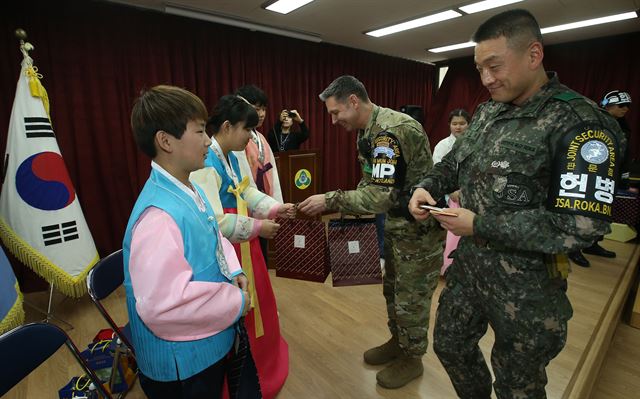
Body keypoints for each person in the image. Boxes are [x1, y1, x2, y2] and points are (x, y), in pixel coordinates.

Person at [408, 9, 625, 398]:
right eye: (479, 69)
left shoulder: (581, 125)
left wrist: (479, 225)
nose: (487, 78)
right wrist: (427, 185)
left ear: (534, 54)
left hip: (528, 286)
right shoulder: (489, 110)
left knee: (517, 385)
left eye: (495, 65)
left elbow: (581, 227)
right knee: (450, 345)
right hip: (470, 270)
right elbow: (455, 162)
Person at [298, 75, 444, 389]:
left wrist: (330, 200)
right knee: (393, 290)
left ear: (353, 101)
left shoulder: (390, 132)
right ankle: (399, 342)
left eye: (336, 113)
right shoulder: (368, 131)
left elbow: (379, 196)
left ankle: (413, 358)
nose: (334, 120)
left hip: (417, 234)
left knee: (411, 298)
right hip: (394, 226)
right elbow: (371, 183)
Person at [123, 85, 250, 399]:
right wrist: (236, 302)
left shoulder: (189, 187)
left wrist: (234, 271)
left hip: (205, 346)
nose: (208, 140)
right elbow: (164, 306)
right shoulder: (157, 218)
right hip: (185, 367)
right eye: (199, 131)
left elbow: (214, 235)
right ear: (166, 141)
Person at [190, 95, 294, 399]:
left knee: (258, 303)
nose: (251, 136)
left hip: (244, 246)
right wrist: (260, 228)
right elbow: (216, 223)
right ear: (226, 126)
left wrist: (276, 208)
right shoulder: (204, 162)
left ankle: (263, 363)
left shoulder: (234, 155)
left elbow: (247, 191)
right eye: (247, 129)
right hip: (226, 251)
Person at [568, 90, 632, 267]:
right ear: (608, 104)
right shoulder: (593, 119)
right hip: (590, 175)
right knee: (583, 213)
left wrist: (624, 176)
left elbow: (624, 154)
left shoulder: (622, 126)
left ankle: (593, 244)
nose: (625, 109)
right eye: (621, 105)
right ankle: (574, 248)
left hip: (611, 176)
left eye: (628, 106)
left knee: (602, 213)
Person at [432, 109, 471, 274]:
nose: (458, 127)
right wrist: (453, 191)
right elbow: (438, 169)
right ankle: (449, 268)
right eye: (455, 123)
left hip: (471, 193)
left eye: (462, 123)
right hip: (452, 195)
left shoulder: (475, 143)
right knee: (454, 232)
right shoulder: (443, 145)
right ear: (449, 125)